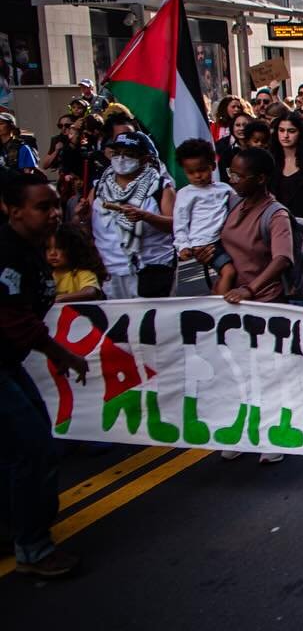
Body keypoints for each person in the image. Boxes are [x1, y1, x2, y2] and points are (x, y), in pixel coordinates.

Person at [0, 172, 90, 577]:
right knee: (33, 448)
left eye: (56, 205)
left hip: (7, 362)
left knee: (31, 445)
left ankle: (16, 526)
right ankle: (33, 547)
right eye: (43, 207)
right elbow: (15, 320)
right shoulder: (6, 252)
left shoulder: (33, 248)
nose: (54, 214)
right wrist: (63, 355)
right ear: (13, 210)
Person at [215, 146, 293, 463]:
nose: (232, 179)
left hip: (265, 303)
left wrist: (251, 288)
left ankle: (274, 434)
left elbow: (282, 258)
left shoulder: (275, 214)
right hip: (233, 303)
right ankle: (244, 431)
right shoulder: (234, 204)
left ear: (260, 179)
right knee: (237, 372)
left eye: (239, 175)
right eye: (231, 173)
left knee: (268, 373)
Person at [86, 132, 177, 298]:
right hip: (110, 272)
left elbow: (175, 225)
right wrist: (81, 216)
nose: (121, 159)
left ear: (144, 159)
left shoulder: (160, 187)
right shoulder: (99, 187)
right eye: (117, 153)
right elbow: (89, 225)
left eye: (129, 154)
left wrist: (146, 217)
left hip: (151, 270)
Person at [172, 139, 235, 292]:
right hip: (205, 243)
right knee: (229, 272)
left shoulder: (224, 188)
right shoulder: (185, 194)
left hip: (226, 239)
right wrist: (183, 246)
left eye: (201, 170)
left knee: (230, 272)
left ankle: (217, 294)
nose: (197, 176)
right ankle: (220, 306)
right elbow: (180, 223)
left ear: (212, 166)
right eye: (191, 172)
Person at [46, 221, 107, 302]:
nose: (52, 253)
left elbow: (90, 292)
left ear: (74, 249)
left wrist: (59, 298)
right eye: (48, 248)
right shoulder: (46, 274)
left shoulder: (81, 273)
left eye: (59, 247)